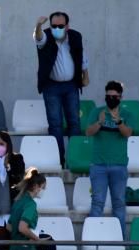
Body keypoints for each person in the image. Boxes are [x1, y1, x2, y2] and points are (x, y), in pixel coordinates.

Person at [34, 12, 90, 167]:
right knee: (55, 123)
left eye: (60, 26)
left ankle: (75, 159)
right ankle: (59, 160)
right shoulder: (46, 36)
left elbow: (82, 56)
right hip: (51, 86)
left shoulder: (75, 36)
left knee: (74, 122)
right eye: (53, 26)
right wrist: (39, 25)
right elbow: (38, 38)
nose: (57, 29)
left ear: (67, 26)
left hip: (71, 85)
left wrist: (86, 75)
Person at [84, 80, 134, 237]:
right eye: (108, 96)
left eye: (115, 96)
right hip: (98, 165)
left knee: (119, 203)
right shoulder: (97, 112)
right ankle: (92, 238)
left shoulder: (127, 115)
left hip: (119, 165)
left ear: (120, 97)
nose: (111, 98)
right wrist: (100, 122)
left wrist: (118, 121)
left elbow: (127, 133)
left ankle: (119, 239)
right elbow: (88, 132)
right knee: (97, 202)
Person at [7, 169, 51, 250]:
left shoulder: (18, 201)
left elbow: (9, 227)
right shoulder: (31, 204)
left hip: (15, 248)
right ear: (36, 186)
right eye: (43, 187)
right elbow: (22, 227)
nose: (44, 191)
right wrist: (36, 238)